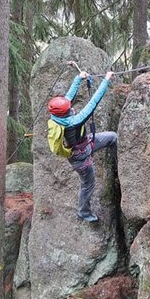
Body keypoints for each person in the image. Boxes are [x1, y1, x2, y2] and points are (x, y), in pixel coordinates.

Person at [47, 69, 116, 222]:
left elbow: (67, 98)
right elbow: (93, 104)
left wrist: (79, 78)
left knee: (112, 137)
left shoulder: (55, 116)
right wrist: (106, 80)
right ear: (64, 113)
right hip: (80, 158)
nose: (71, 108)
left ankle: (119, 164)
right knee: (88, 184)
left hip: (87, 143)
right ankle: (83, 212)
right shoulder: (73, 122)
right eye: (68, 109)